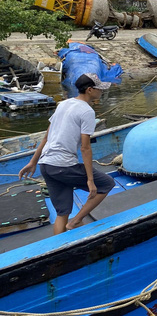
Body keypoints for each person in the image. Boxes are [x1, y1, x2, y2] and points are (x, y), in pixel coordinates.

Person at [18, 73, 116, 235]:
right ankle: (76, 221)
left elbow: (46, 136)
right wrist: (90, 180)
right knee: (106, 184)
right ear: (90, 90)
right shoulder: (87, 112)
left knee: (62, 213)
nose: (101, 92)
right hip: (63, 166)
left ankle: (59, 250)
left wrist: (34, 162)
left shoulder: (63, 104)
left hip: (46, 165)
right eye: (99, 89)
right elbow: (85, 148)